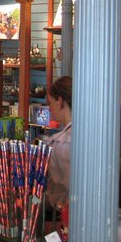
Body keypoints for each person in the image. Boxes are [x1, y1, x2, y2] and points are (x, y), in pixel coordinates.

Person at [45, 75, 73, 209]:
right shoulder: (90, 135)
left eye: (50, 102)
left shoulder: (60, 143)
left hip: (66, 214)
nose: (49, 108)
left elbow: (62, 190)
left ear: (60, 101)